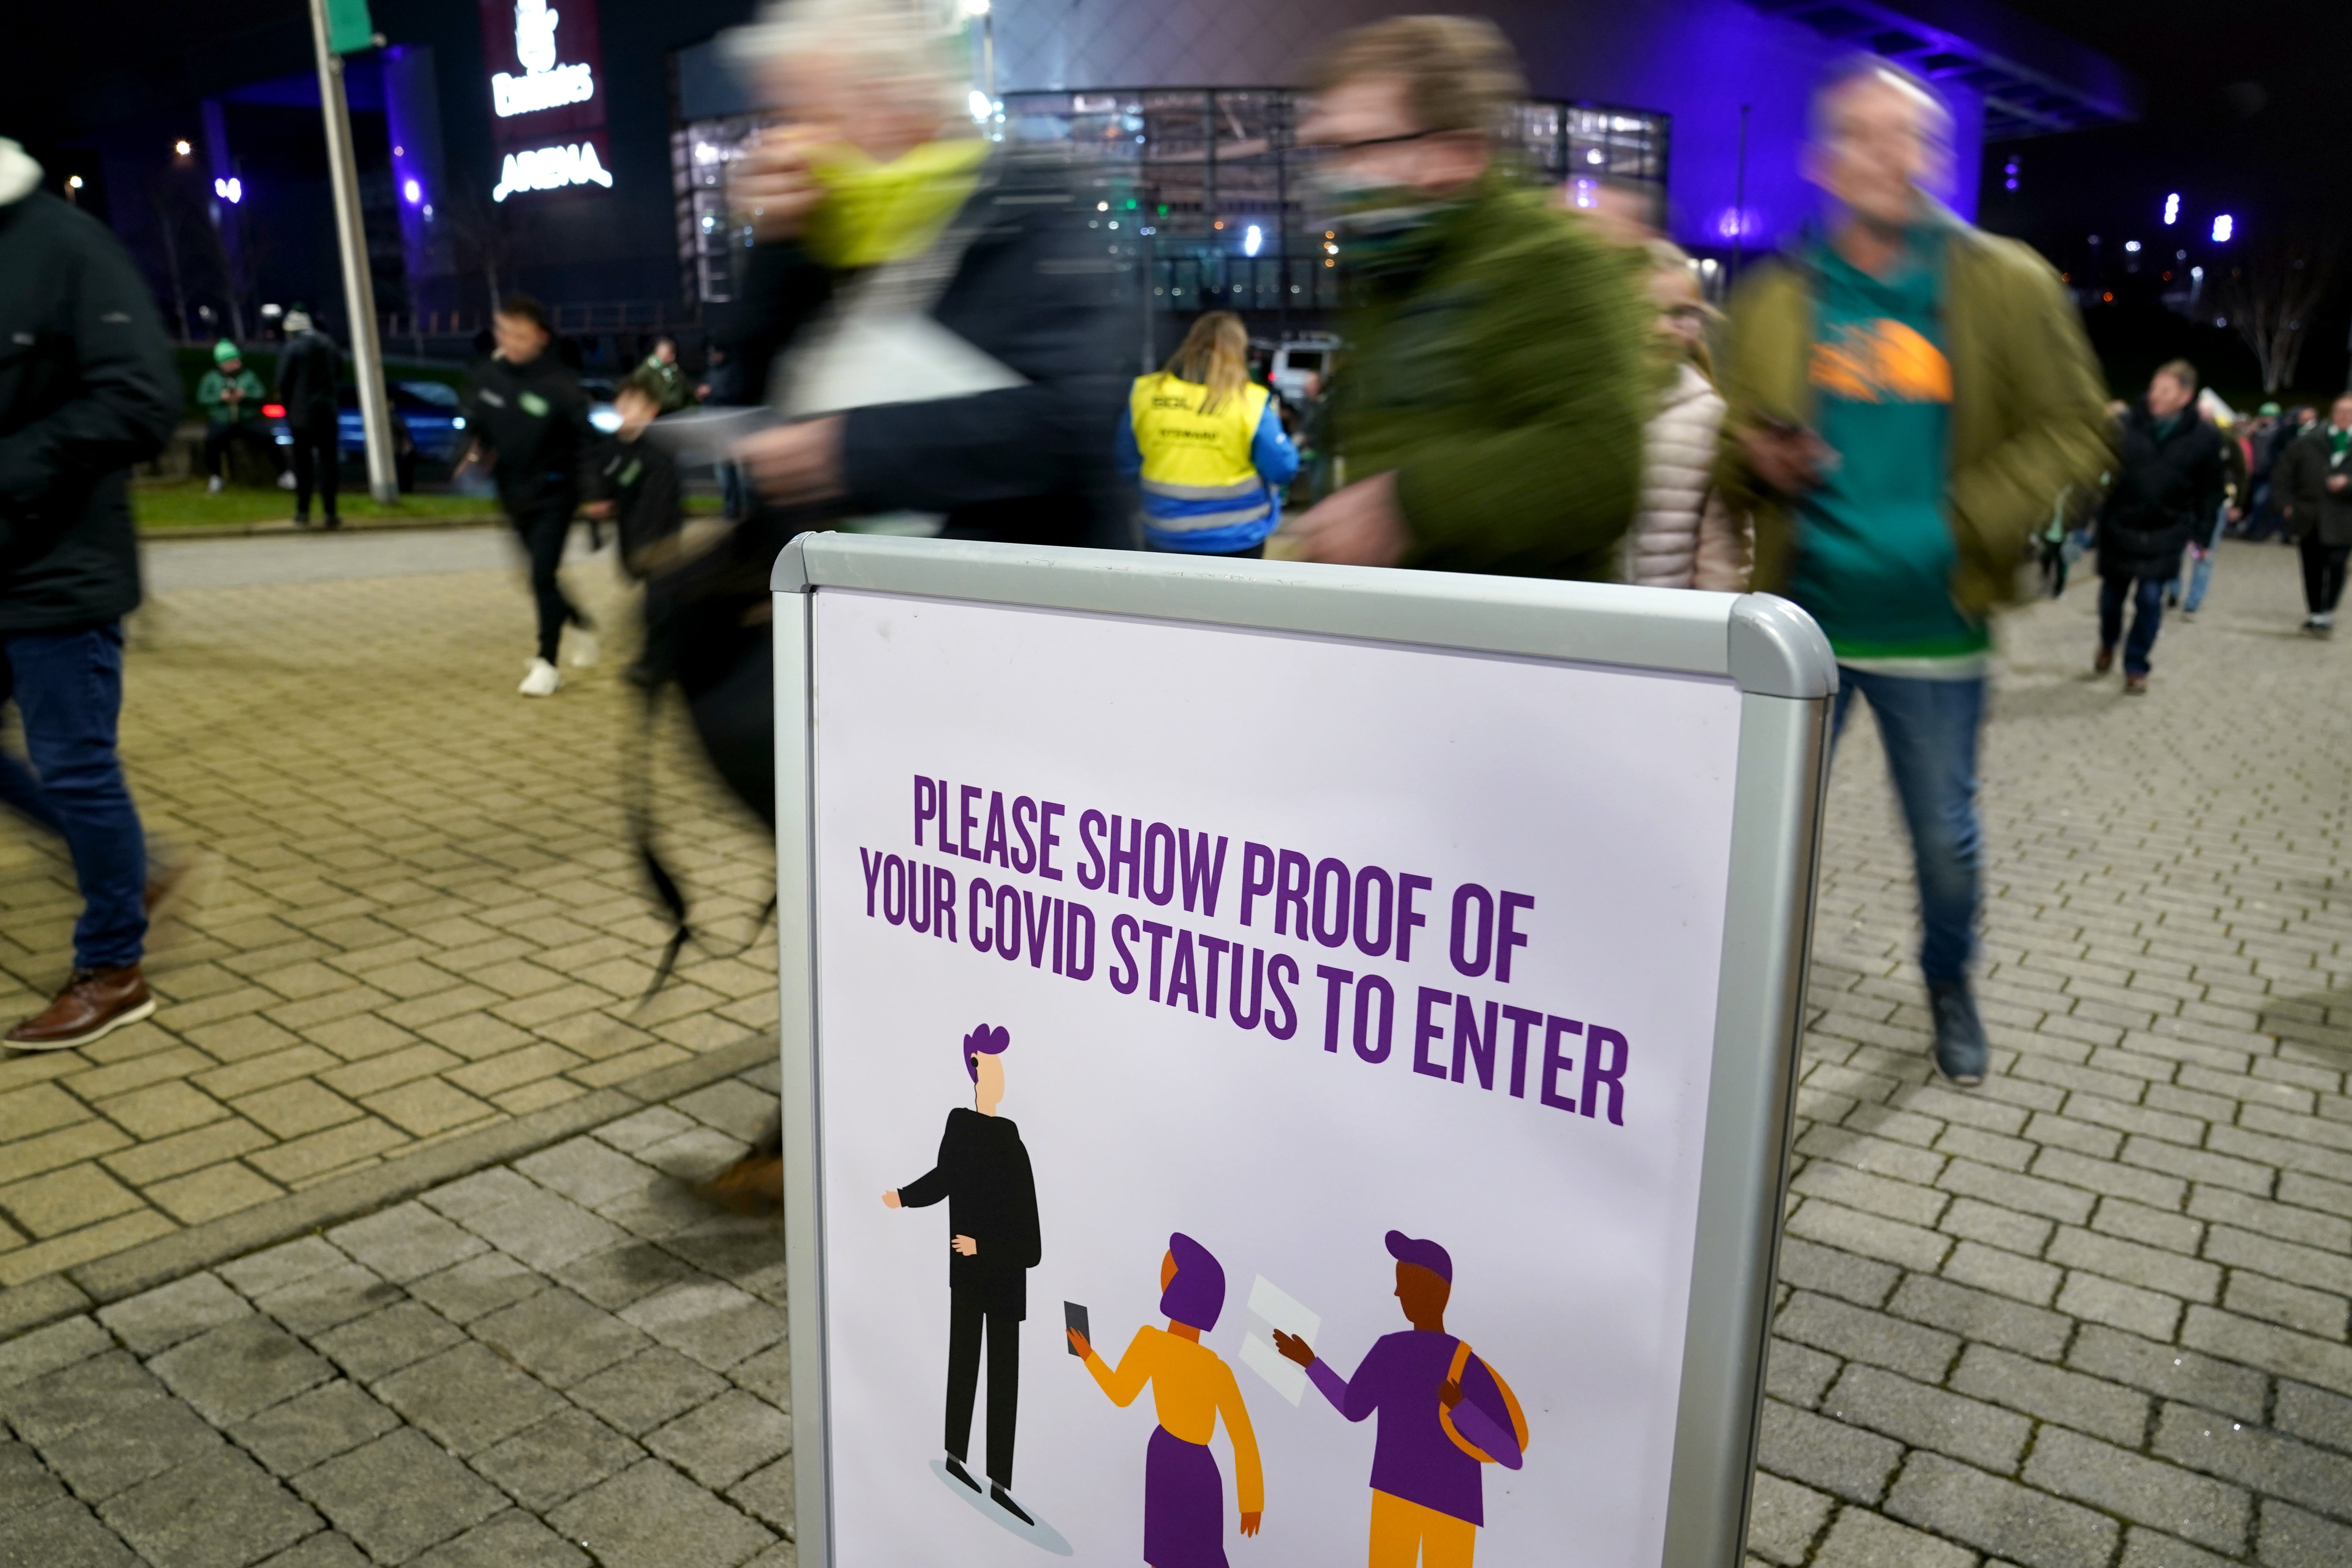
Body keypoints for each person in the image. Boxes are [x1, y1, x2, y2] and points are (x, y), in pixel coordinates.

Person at [1716, 57, 2111, 1087]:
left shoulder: (2003, 281)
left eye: (1913, 140)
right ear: (1823, 160)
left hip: (1938, 625)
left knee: (1944, 842)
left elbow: (2079, 426)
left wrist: (1962, 519)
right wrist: (1752, 453)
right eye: (1866, 136)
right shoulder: (1773, 296)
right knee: (1768, 840)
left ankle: (1949, 979)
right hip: (1802, 628)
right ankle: (1749, 1004)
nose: (1893, 159)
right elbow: (1727, 436)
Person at [720, 0, 1128, 551]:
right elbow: (747, 393)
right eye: (782, 117)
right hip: (858, 593)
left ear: (892, 106)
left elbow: (1076, 419)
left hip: (1015, 597)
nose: (787, 143)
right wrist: (774, 246)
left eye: (812, 116)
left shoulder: (1033, 201)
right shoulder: (820, 234)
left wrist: (843, 451)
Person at [1281, 15, 1648, 578]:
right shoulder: (1393, 273)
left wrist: (1405, 508)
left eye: (1358, 147)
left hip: (1519, 649)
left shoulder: (1550, 265)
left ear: (1458, 153)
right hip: (1416, 634)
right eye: (1326, 151)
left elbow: (1600, 468)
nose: (1337, 175)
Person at [0, 137, 183, 1048]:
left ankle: (114, 970)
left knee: (76, 766)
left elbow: (144, 399)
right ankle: (129, 870)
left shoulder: (64, 245)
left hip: (57, 569)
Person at [1273, 1231, 1526, 1568]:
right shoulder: (1394, 1350)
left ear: (1432, 1290)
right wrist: (1310, 1363)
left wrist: (1461, 1408)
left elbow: (1511, 1454)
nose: (1397, 1292)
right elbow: (1354, 1407)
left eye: (1404, 1282)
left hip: (1434, 1506)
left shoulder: (1460, 1362)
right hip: (1412, 1501)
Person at [886, 1023, 1042, 1525]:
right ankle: (956, 1454)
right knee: (964, 1362)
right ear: (974, 1070)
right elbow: (944, 1178)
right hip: (967, 1276)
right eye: (989, 1065)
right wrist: (904, 1197)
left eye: (998, 1065)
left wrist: (983, 1246)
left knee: (1002, 1377)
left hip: (1002, 1277)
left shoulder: (1013, 1145)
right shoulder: (961, 1125)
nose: (996, 1075)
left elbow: (1031, 1243)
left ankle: (999, 1480)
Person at [1070, 1233, 1264, 1565]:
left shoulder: (1154, 1342)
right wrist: (1251, 1501)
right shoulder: (1216, 1367)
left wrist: (1089, 1356)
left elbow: (1120, 1393)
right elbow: (1243, 1439)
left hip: (1172, 1460)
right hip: (1192, 1466)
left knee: (1176, 1557)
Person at [462, 295, 597, 696]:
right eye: (504, 332)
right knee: (539, 578)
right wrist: (470, 452)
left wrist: (594, 494)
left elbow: (585, 442)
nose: (511, 342)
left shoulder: (560, 382)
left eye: (520, 335)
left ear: (539, 336)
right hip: (512, 492)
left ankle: (547, 664)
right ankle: (581, 623)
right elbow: (474, 423)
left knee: (541, 575)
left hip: (555, 493)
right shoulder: (488, 376)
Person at [1119, 311, 1299, 558]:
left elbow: (1126, 461)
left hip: (1164, 533)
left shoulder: (1146, 394)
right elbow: (1283, 467)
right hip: (1238, 537)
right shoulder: (1249, 402)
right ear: (1239, 351)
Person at [1624, 241, 1749, 590]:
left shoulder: (1708, 416)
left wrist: (1707, 631)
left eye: (1682, 314)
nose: (1665, 328)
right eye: (1646, 310)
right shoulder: (1590, 401)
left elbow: (1721, 556)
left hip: (1667, 627)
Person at [2093, 362, 2222, 688]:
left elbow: (2210, 491)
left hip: (2166, 530)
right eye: (2154, 388)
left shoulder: (2204, 436)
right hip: (2120, 526)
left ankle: (2136, 665)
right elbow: (2098, 467)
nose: (2155, 396)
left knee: (2150, 599)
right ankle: (2108, 641)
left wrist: (2203, 535)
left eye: (2165, 391)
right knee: (2111, 598)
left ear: (2185, 395)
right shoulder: (2125, 424)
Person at [584, 375, 684, 581]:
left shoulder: (659, 452)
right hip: (630, 537)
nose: (623, 408)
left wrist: (649, 547)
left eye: (632, 404)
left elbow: (660, 503)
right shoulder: (611, 446)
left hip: (658, 541)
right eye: (621, 402)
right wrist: (597, 497)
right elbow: (600, 475)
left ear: (651, 411)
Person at [2276, 392, 2352, 635]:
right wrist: (2286, 503)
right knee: (2312, 566)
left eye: (2350, 413)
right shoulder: (2309, 441)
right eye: (2340, 412)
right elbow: (2284, 472)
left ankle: (2328, 609)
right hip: (2310, 514)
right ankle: (2316, 612)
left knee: (2338, 564)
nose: (2344, 417)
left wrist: (2348, 483)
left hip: (2345, 518)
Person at [274, 307, 344, 529]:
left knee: (303, 464)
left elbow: (283, 381)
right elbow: (340, 373)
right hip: (327, 413)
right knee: (328, 462)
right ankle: (331, 512)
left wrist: (288, 407)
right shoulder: (329, 345)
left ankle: (303, 511)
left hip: (301, 415)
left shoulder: (292, 348)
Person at [196, 340, 284, 494]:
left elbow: (261, 393)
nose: (234, 364)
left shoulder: (249, 376)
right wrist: (220, 397)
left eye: (235, 360)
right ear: (221, 364)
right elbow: (202, 398)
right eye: (229, 362)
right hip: (222, 420)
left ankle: (284, 473)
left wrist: (245, 396)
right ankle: (216, 477)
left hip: (247, 419)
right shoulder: (211, 378)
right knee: (211, 443)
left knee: (269, 438)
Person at [636, 336, 692, 414]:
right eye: (669, 354)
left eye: (673, 353)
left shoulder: (674, 369)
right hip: (657, 415)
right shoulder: (646, 372)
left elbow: (685, 387)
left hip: (677, 412)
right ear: (659, 352)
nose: (673, 357)